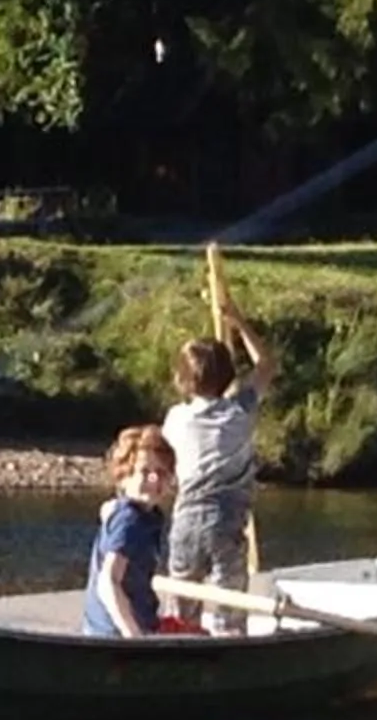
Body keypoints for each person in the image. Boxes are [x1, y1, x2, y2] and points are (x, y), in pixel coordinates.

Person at [164, 265, 273, 634]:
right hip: (225, 524)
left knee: (183, 611)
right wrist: (238, 321)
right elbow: (266, 365)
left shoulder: (175, 419)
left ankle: (181, 650)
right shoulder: (239, 411)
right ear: (229, 378)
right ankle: (229, 647)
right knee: (230, 610)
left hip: (183, 522)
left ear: (182, 381)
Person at [82, 423, 176, 637]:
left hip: (129, 623)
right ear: (123, 477)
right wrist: (132, 635)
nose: (154, 480)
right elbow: (108, 582)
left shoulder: (147, 515)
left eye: (161, 472)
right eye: (144, 472)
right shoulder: (130, 520)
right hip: (114, 633)